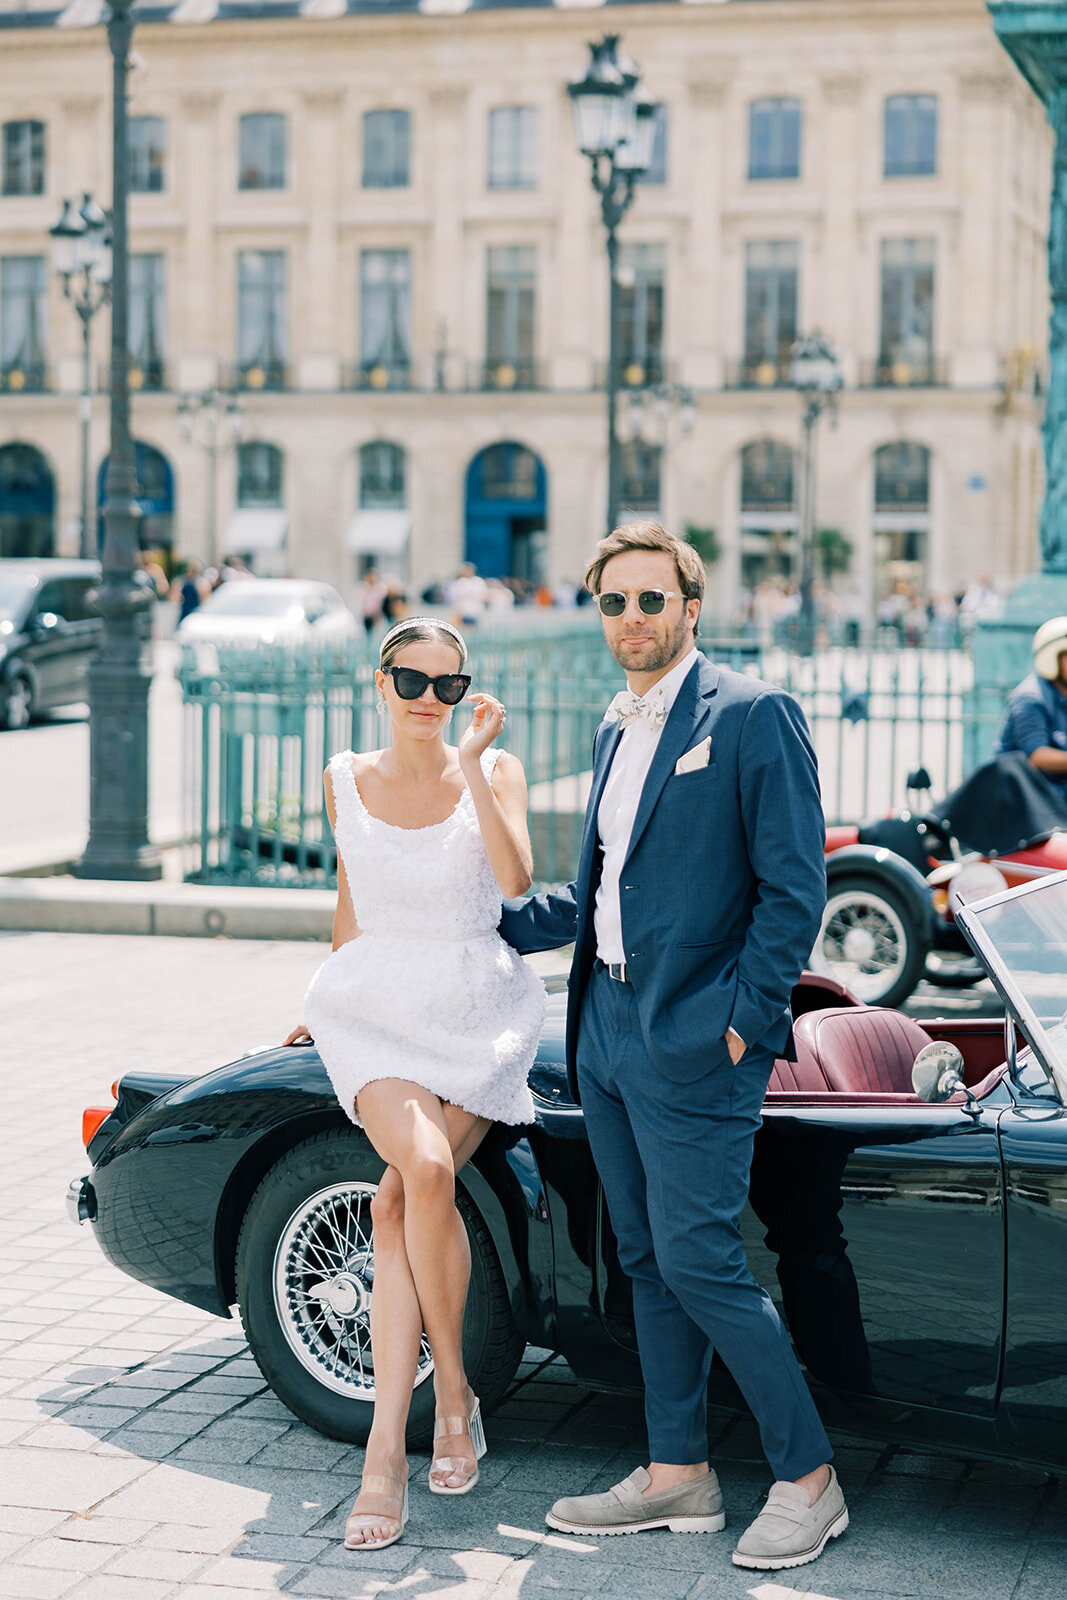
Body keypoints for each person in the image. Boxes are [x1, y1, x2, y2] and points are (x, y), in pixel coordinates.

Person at [498, 521, 846, 1573]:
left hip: (696, 1038)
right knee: (644, 1254)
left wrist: (739, 1021)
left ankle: (807, 1477)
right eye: (613, 602)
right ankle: (675, 1471)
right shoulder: (615, 729)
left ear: (690, 606)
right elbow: (600, 889)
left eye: (651, 600)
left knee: (698, 1257)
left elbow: (794, 890)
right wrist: (481, 914)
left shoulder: (747, 713)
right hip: (602, 1030)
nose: (632, 620)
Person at [284, 616, 546, 1554]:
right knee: (421, 1171)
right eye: (412, 682)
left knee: (400, 1199)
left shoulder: (493, 767)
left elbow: (516, 882)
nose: (430, 701)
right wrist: (329, 998)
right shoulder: (343, 777)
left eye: (449, 684)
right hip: (376, 1008)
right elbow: (354, 904)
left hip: (478, 1006)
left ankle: (395, 1449)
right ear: (380, 681)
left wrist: (474, 764)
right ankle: (444, 1407)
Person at [994, 616, 1067, 787]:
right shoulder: (1030, 698)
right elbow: (1037, 756)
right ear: (1052, 658)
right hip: (1025, 800)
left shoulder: (1061, 694)